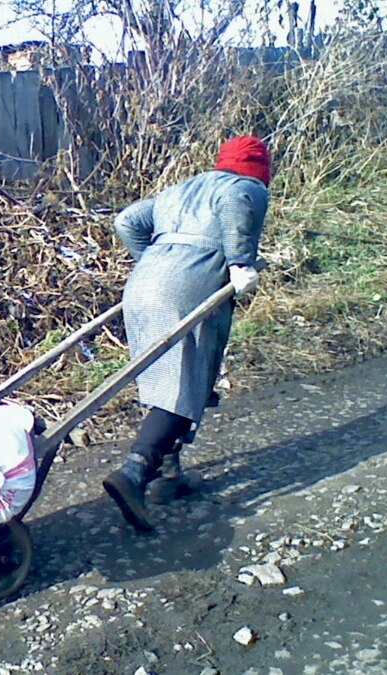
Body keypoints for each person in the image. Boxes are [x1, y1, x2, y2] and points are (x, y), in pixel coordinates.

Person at [102, 135, 271, 532]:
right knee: (185, 382)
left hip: (142, 286)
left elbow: (126, 220)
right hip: (187, 287)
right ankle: (134, 472)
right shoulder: (244, 187)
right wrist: (240, 262)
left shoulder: (182, 188)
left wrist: (158, 260)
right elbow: (234, 204)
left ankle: (169, 475)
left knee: (162, 376)